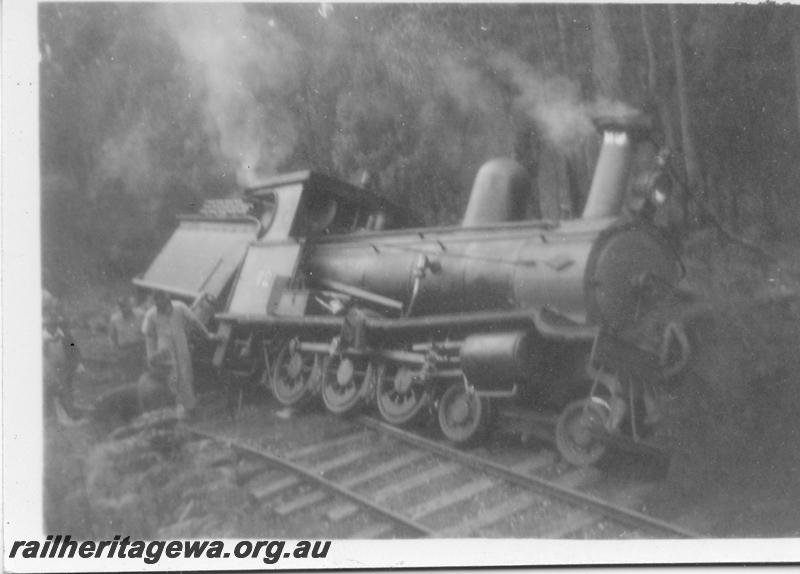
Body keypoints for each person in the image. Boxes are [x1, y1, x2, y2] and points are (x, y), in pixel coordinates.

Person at [141, 291, 223, 419]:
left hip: (181, 345)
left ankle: (190, 409)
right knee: (172, 377)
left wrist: (207, 335)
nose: (160, 305)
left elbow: (195, 322)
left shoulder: (180, 307)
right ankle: (175, 411)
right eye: (157, 303)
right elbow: (149, 336)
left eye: (163, 301)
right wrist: (150, 355)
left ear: (168, 299)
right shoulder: (151, 315)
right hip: (165, 349)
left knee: (186, 376)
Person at [42, 290, 85, 425]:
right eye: (50, 325)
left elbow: (74, 348)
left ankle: (70, 414)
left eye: (55, 324)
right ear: (46, 325)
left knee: (67, 390)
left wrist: (78, 363)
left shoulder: (66, 336)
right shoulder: (41, 339)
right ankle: (51, 415)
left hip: (65, 368)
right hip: (49, 370)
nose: (53, 327)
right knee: (50, 392)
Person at [108, 296, 146, 380]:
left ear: (131, 305)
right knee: (126, 376)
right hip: (124, 351)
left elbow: (147, 332)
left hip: (138, 349)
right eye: (121, 306)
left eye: (125, 305)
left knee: (139, 375)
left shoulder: (140, 315)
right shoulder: (115, 319)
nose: (123, 308)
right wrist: (114, 351)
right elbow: (112, 336)